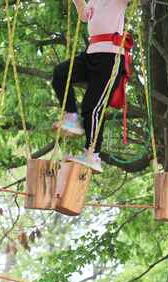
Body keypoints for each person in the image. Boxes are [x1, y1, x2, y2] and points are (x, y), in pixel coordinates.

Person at [51, 0, 131, 173]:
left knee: (93, 106)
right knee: (60, 74)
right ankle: (71, 115)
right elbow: (84, 15)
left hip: (111, 57)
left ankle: (92, 155)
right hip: (92, 53)